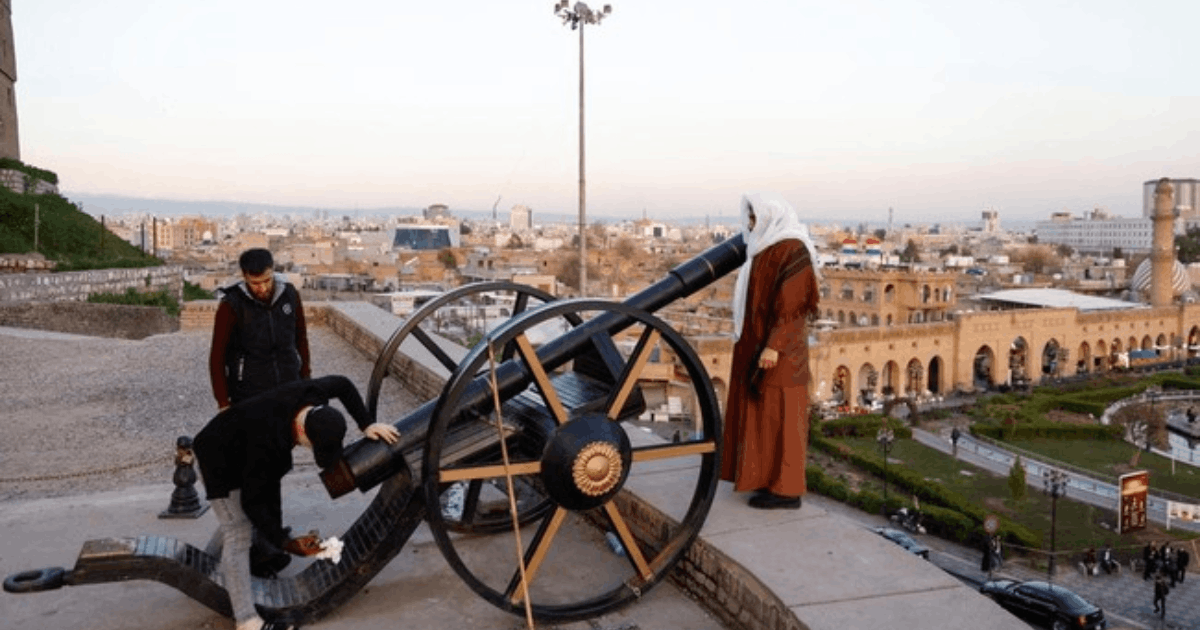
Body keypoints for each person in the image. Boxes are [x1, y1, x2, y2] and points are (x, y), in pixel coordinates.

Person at [193, 375, 400, 630]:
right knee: (238, 530)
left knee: (235, 520)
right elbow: (255, 501)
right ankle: (247, 621)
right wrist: (286, 543)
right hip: (217, 458)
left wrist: (367, 424)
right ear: (302, 431)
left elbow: (344, 384)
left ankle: (206, 561)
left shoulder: (312, 394)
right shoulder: (267, 442)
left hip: (238, 443)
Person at [720, 192, 820, 510]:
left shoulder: (793, 249)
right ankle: (764, 480)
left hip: (781, 352)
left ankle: (787, 490)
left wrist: (774, 346)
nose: (750, 224)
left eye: (755, 218)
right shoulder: (765, 248)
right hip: (757, 346)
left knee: (784, 416)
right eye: (749, 218)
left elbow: (793, 306)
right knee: (763, 416)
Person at [210, 248, 311, 411]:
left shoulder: (290, 294)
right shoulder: (231, 305)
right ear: (244, 276)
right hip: (249, 392)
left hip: (290, 383)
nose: (263, 288)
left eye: (267, 281)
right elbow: (217, 356)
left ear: (272, 271)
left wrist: (306, 378)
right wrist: (223, 402)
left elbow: (301, 338)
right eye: (256, 283)